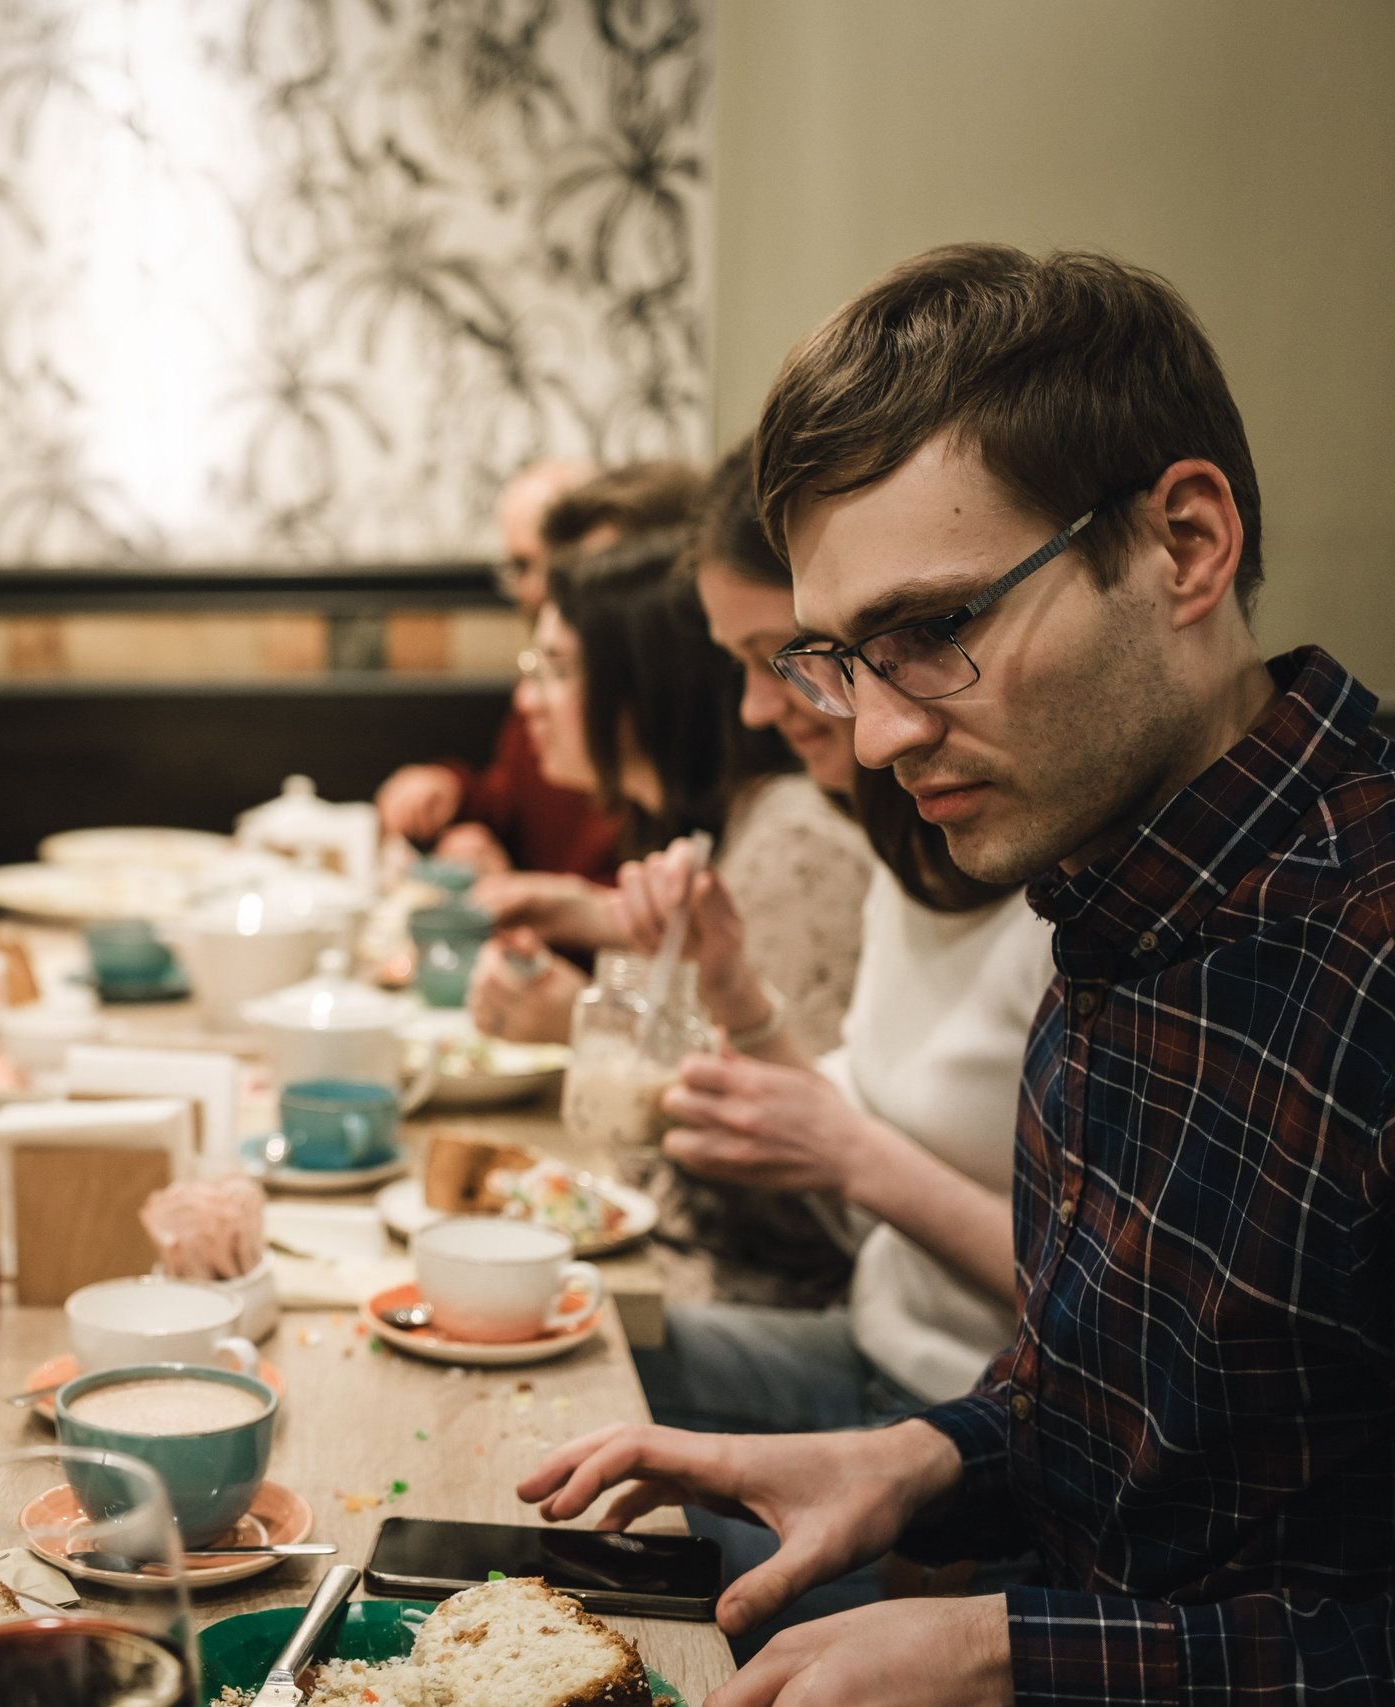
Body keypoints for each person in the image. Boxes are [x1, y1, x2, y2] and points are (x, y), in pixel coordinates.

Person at [521, 244, 1395, 1707]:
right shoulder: (1115, 890)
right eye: (835, 658)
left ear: (1186, 542)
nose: (870, 736)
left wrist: (1005, 1647)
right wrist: (914, 1459)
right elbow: (1126, 1413)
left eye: (932, 633)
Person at [611, 439, 1056, 1655]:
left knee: (603, 1572)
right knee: (556, 1361)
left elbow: (1123, 1325)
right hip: (868, 1361)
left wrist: (852, 1157)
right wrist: (734, 989)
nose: (786, 708)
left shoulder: (1057, 890)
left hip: (974, 1439)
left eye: (785, 663)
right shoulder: (916, 839)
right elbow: (854, 1145)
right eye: (800, 662)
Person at [468, 527, 876, 1307]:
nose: (527, 701)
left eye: (554, 669)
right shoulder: (703, 836)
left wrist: (587, 1029)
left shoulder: (792, 845)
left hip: (754, 1300)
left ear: (643, 686)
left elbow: (808, 1213)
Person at [375, 460, 701, 887]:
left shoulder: (658, 709)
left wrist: (525, 893)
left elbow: (655, 907)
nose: (538, 589)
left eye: (538, 564)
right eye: (520, 567)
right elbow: (516, 799)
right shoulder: (553, 683)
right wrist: (450, 789)